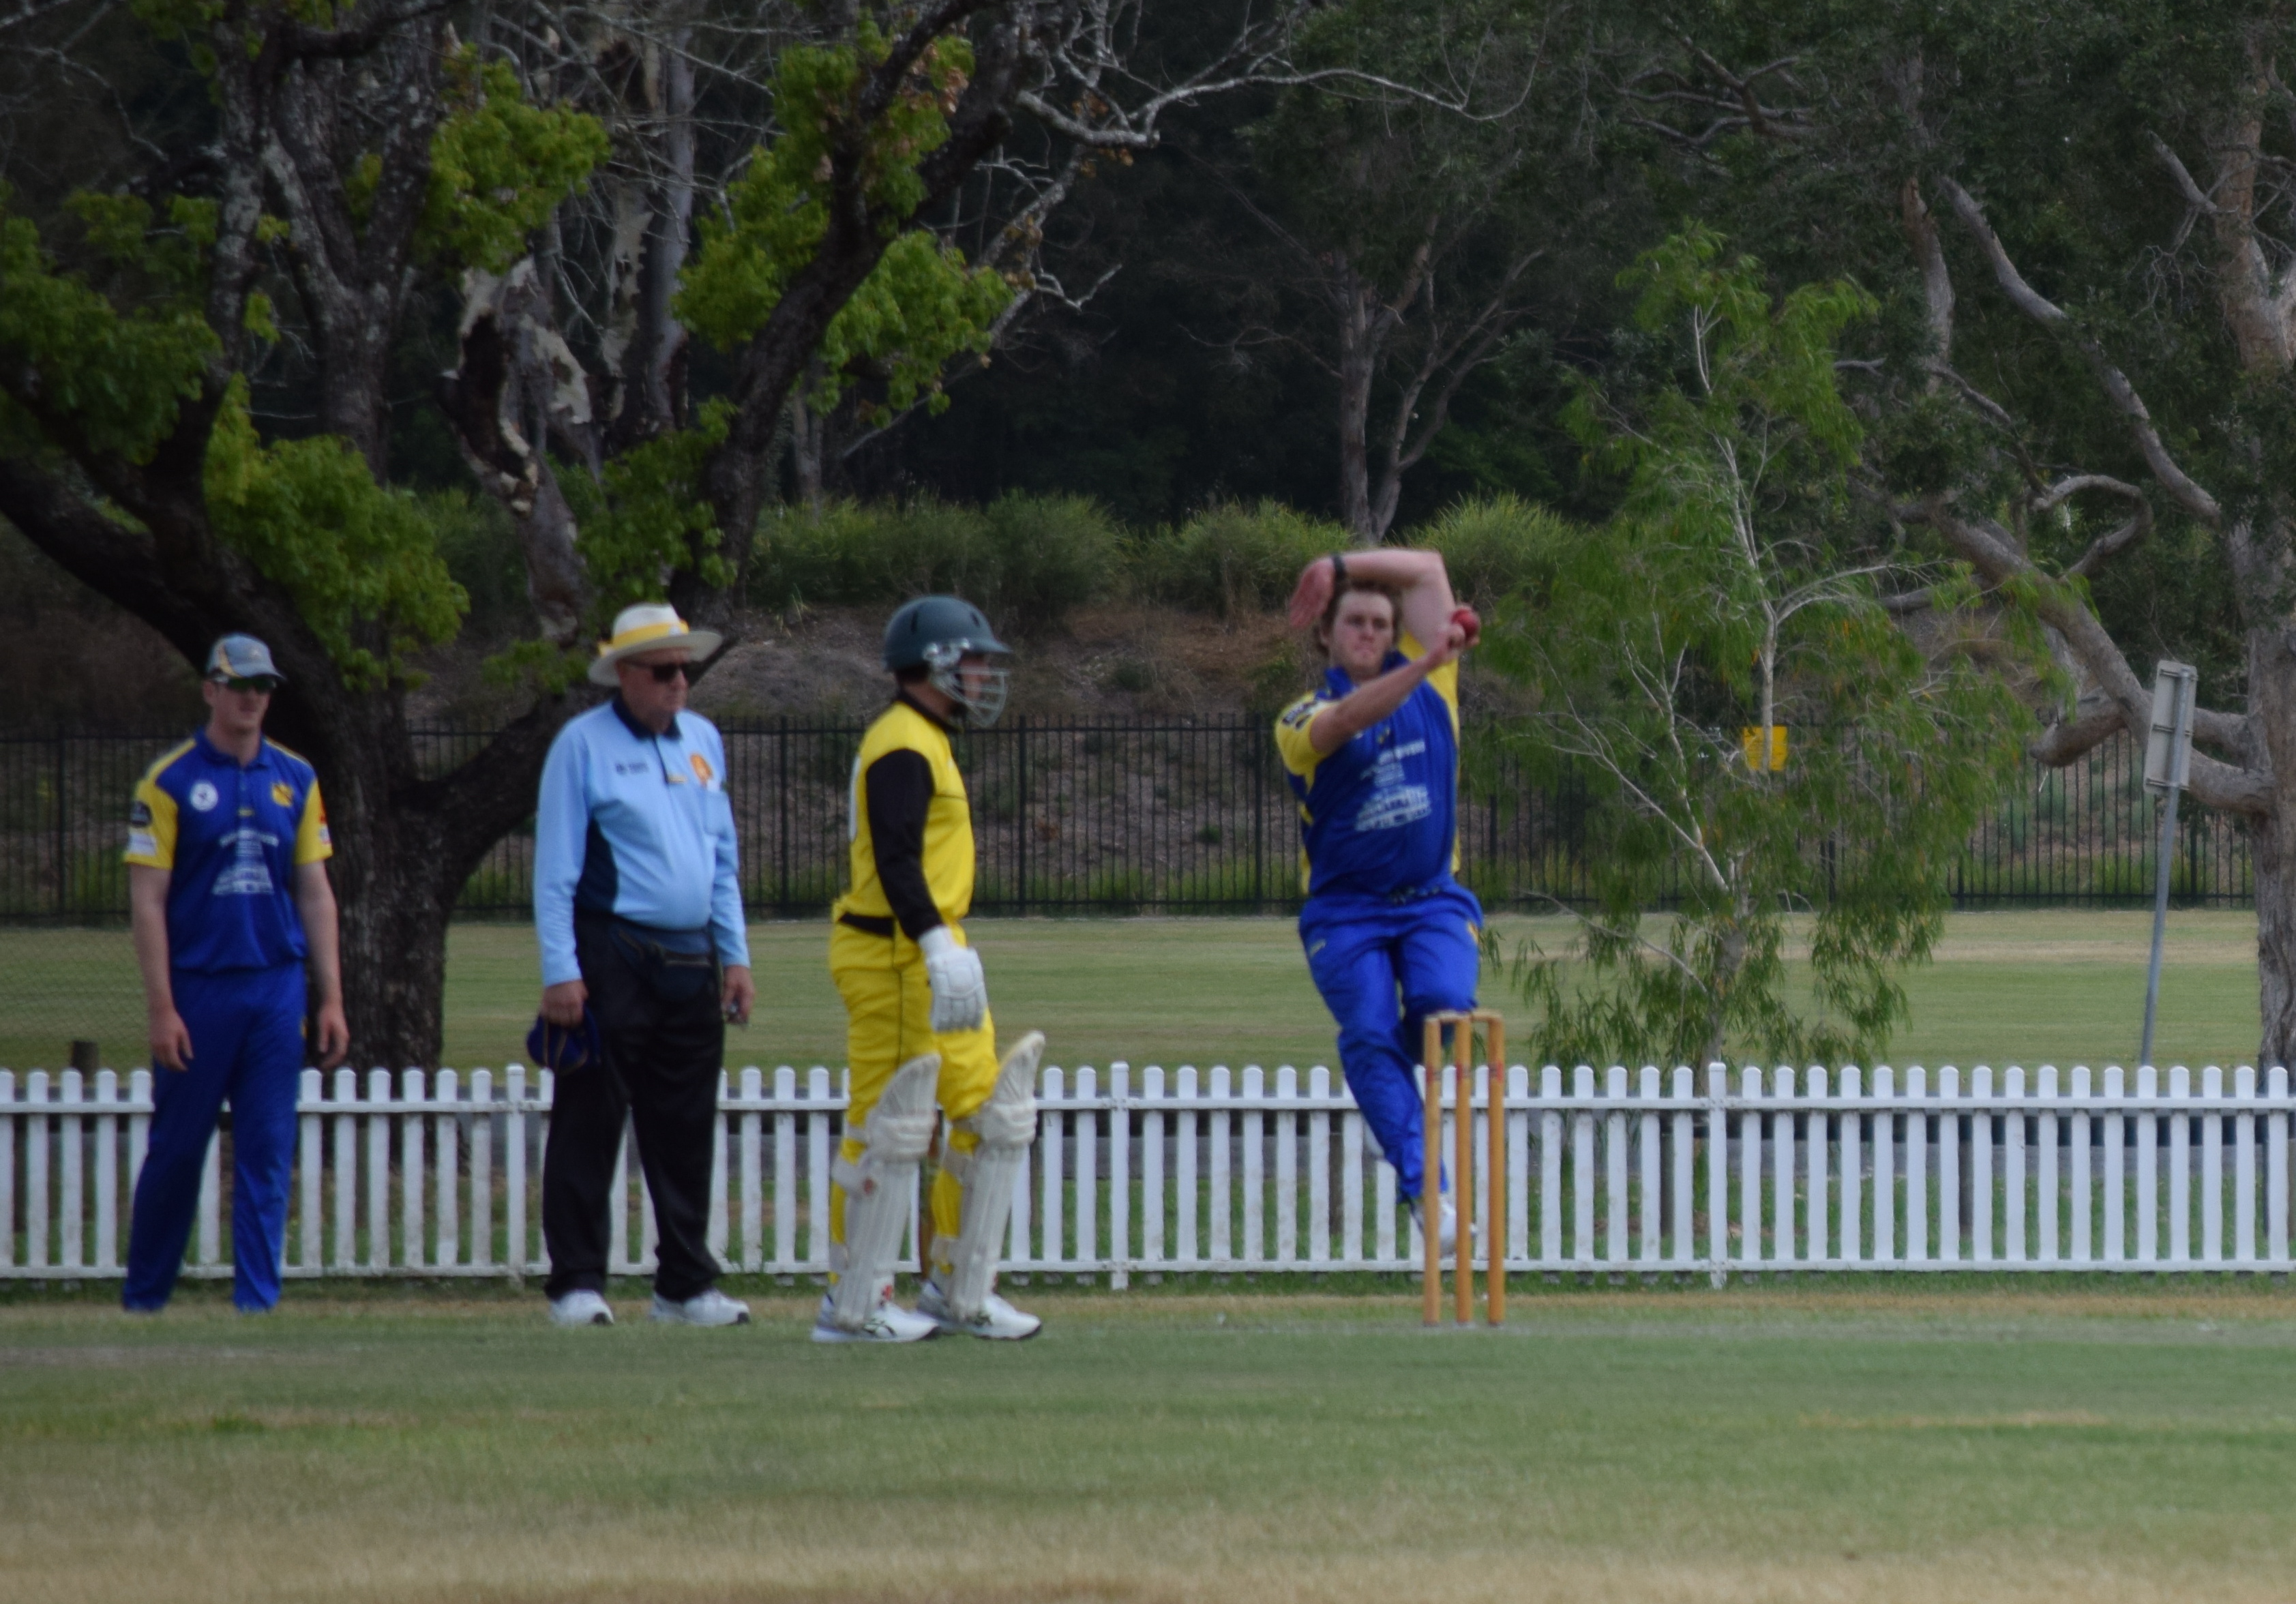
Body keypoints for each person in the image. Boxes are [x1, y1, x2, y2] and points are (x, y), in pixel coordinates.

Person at [818, 595, 1045, 1343]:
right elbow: (895, 858)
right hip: (893, 953)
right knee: (887, 1125)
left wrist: (942, 943)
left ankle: (957, 1286)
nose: (983, 674)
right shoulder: (902, 742)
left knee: (987, 1116)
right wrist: (934, 942)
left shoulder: (927, 738)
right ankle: (852, 1301)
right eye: (973, 660)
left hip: (928, 947)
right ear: (936, 662)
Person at [532, 603, 756, 1329]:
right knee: (589, 1121)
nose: (678, 682)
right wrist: (560, 969)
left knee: (685, 1126)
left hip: (692, 956)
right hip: (612, 954)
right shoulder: (582, 746)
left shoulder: (704, 741)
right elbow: (555, 870)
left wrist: (736, 955)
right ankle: (576, 1283)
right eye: (662, 671)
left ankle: (684, 1286)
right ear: (624, 674)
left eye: (685, 669)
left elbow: (721, 860)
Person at [121, 634, 350, 1313]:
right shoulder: (168, 781)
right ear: (210, 690)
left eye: (263, 687)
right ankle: (144, 1300)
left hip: (275, 987)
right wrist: (162, 1007)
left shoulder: (296, 778)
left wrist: (331, 998)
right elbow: (148, 902)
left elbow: (315, 892)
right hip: (200, 989)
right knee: (177, 1150)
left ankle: (257, 1302)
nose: (252, 698)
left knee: (267, 1150)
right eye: (239, 685)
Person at [1275, 550, 1481, 1252]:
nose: (1367, 633)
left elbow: (1426, 570)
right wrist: (1425, 663)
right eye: (1353, 622)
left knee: (1443, 1003)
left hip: (1432, 901)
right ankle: (1427, 1193)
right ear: (1325, 635)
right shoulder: (1299, 718)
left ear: (1395, 633)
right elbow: (1343, 726)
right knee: (1367, 1033)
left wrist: (1335, 563)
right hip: (1346, 914)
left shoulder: (1435, 680)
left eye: (1379, 624)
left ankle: (1389, 1087)